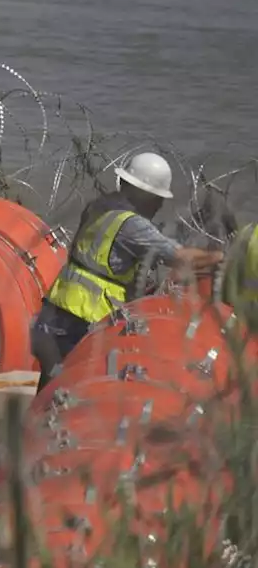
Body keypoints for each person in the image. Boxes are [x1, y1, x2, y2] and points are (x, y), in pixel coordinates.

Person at [31, 153, 223, 394]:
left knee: (49, 394)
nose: (161, 204)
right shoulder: (132, 225)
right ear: (146, 195)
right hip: (80, 320)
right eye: (158, 198)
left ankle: (28, 430)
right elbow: (180, 257)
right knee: (72, 392)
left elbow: (108, 261)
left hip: (54, 312)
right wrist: (220, 258)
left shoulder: (99, 207)